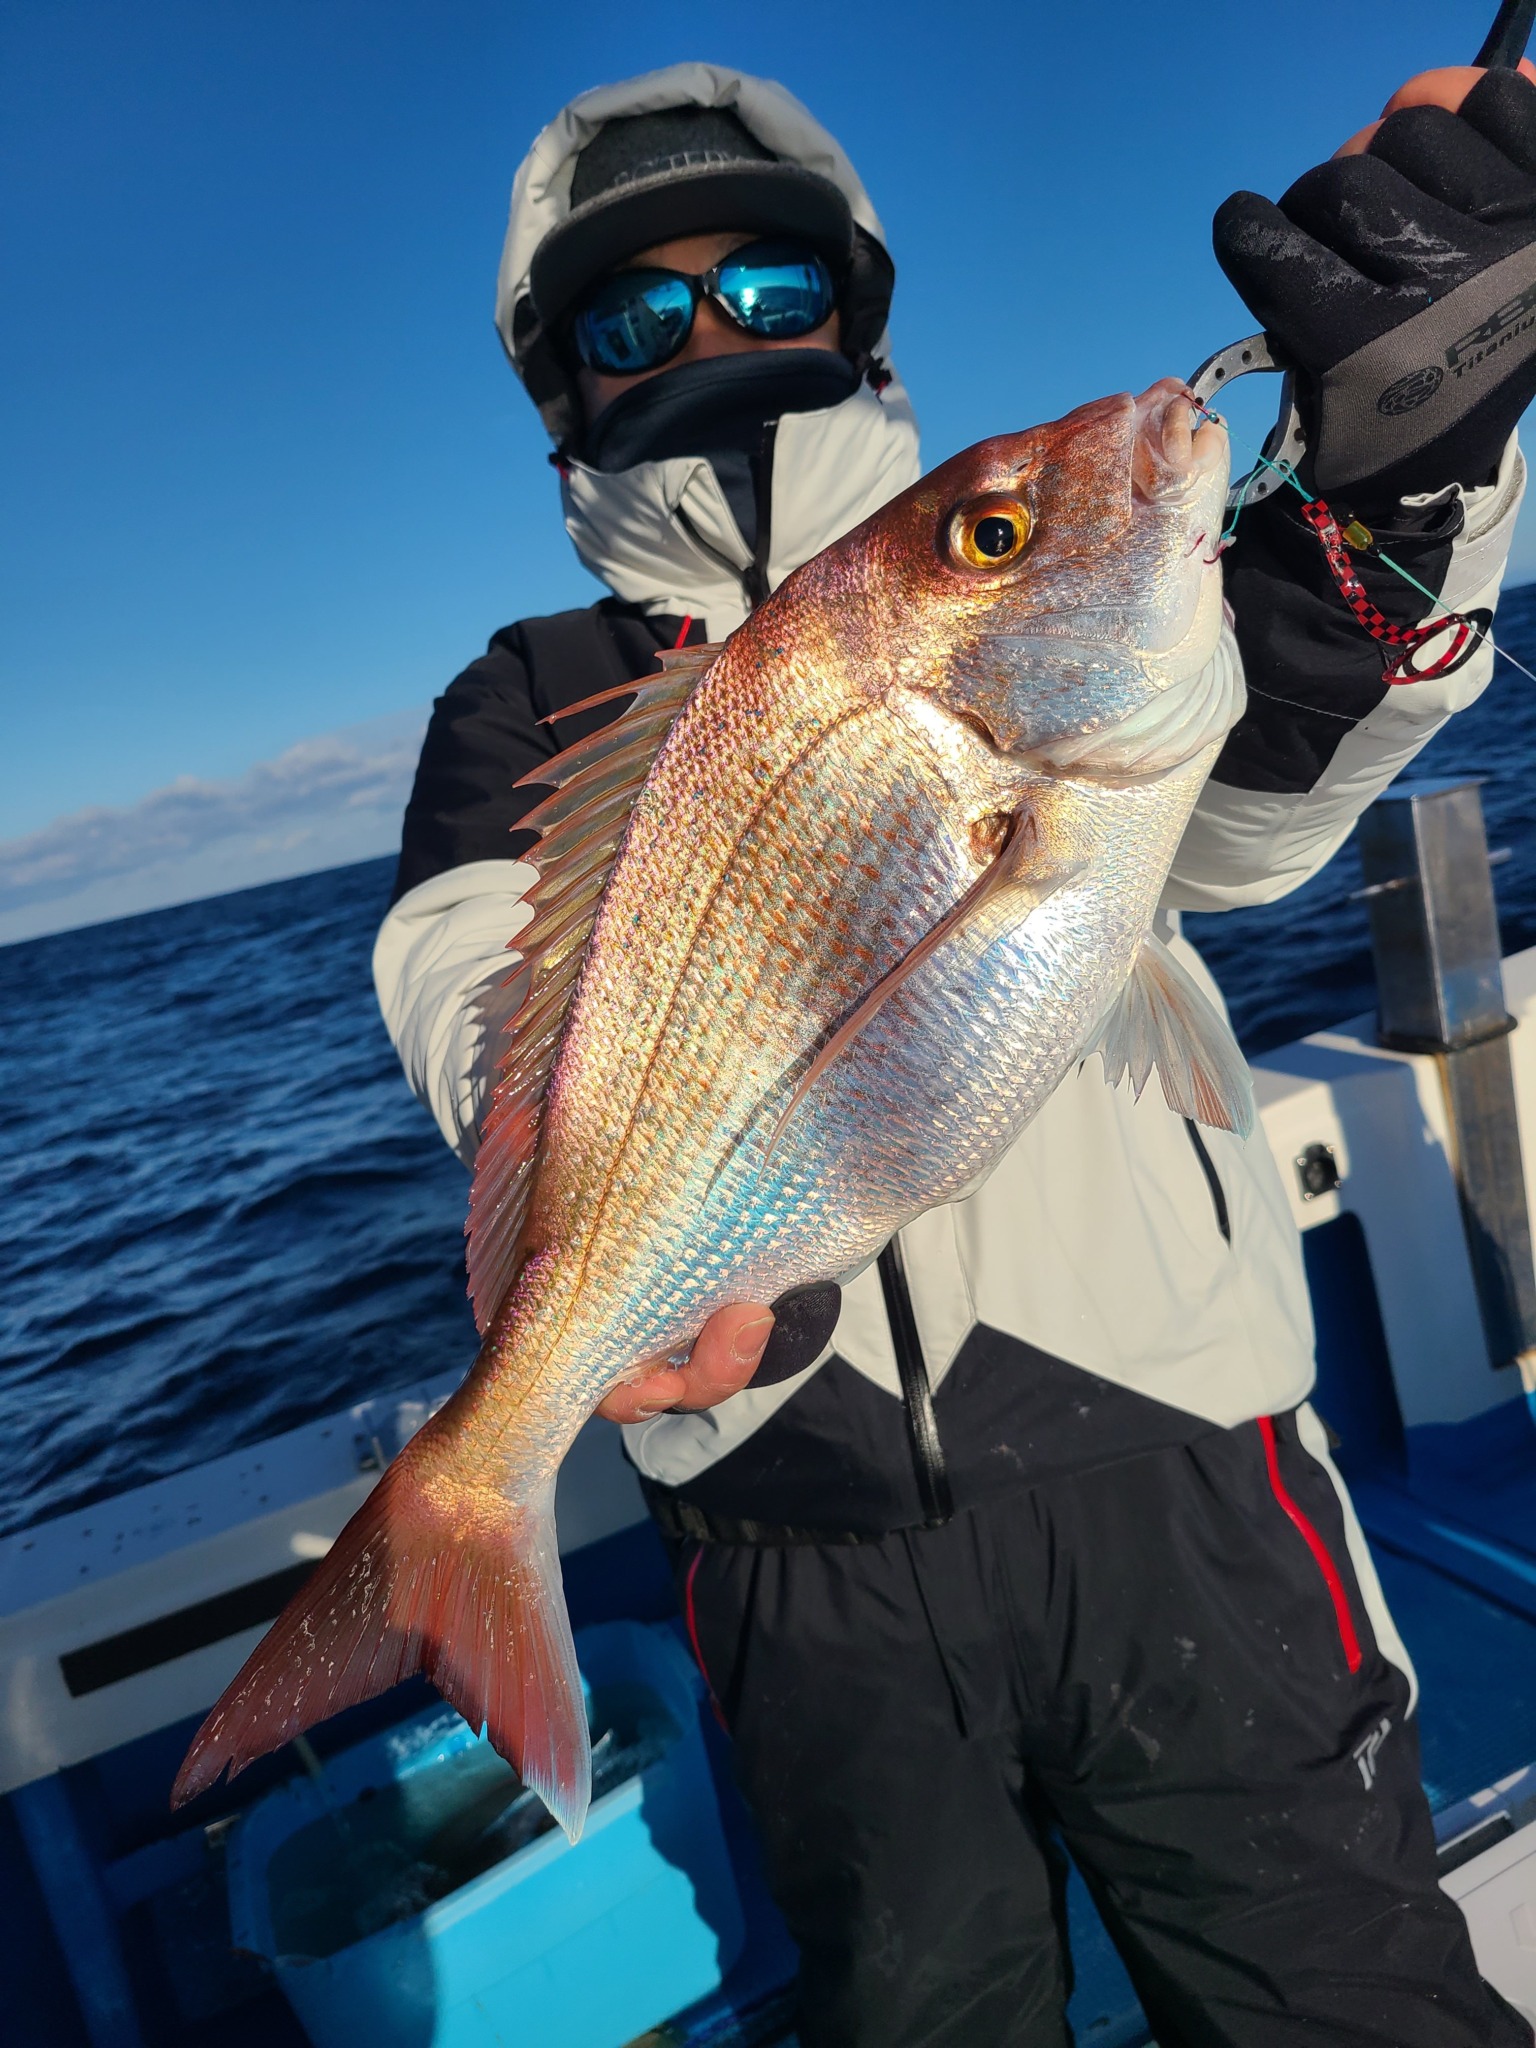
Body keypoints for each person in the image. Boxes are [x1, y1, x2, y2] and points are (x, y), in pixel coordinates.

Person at [375, 59, 1536, 2047]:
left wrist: (1411, 494)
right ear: (561, 384)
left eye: (766, 281)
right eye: (636, 314)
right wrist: (599, 1231)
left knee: (1348, 1995)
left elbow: (1260, 802)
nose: (713, 332)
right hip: (780, 1522)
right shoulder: (529, 700)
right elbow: (464, 970)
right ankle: (461, 1526)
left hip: (1179, 1449)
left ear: (857, 302)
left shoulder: (1094, 639)